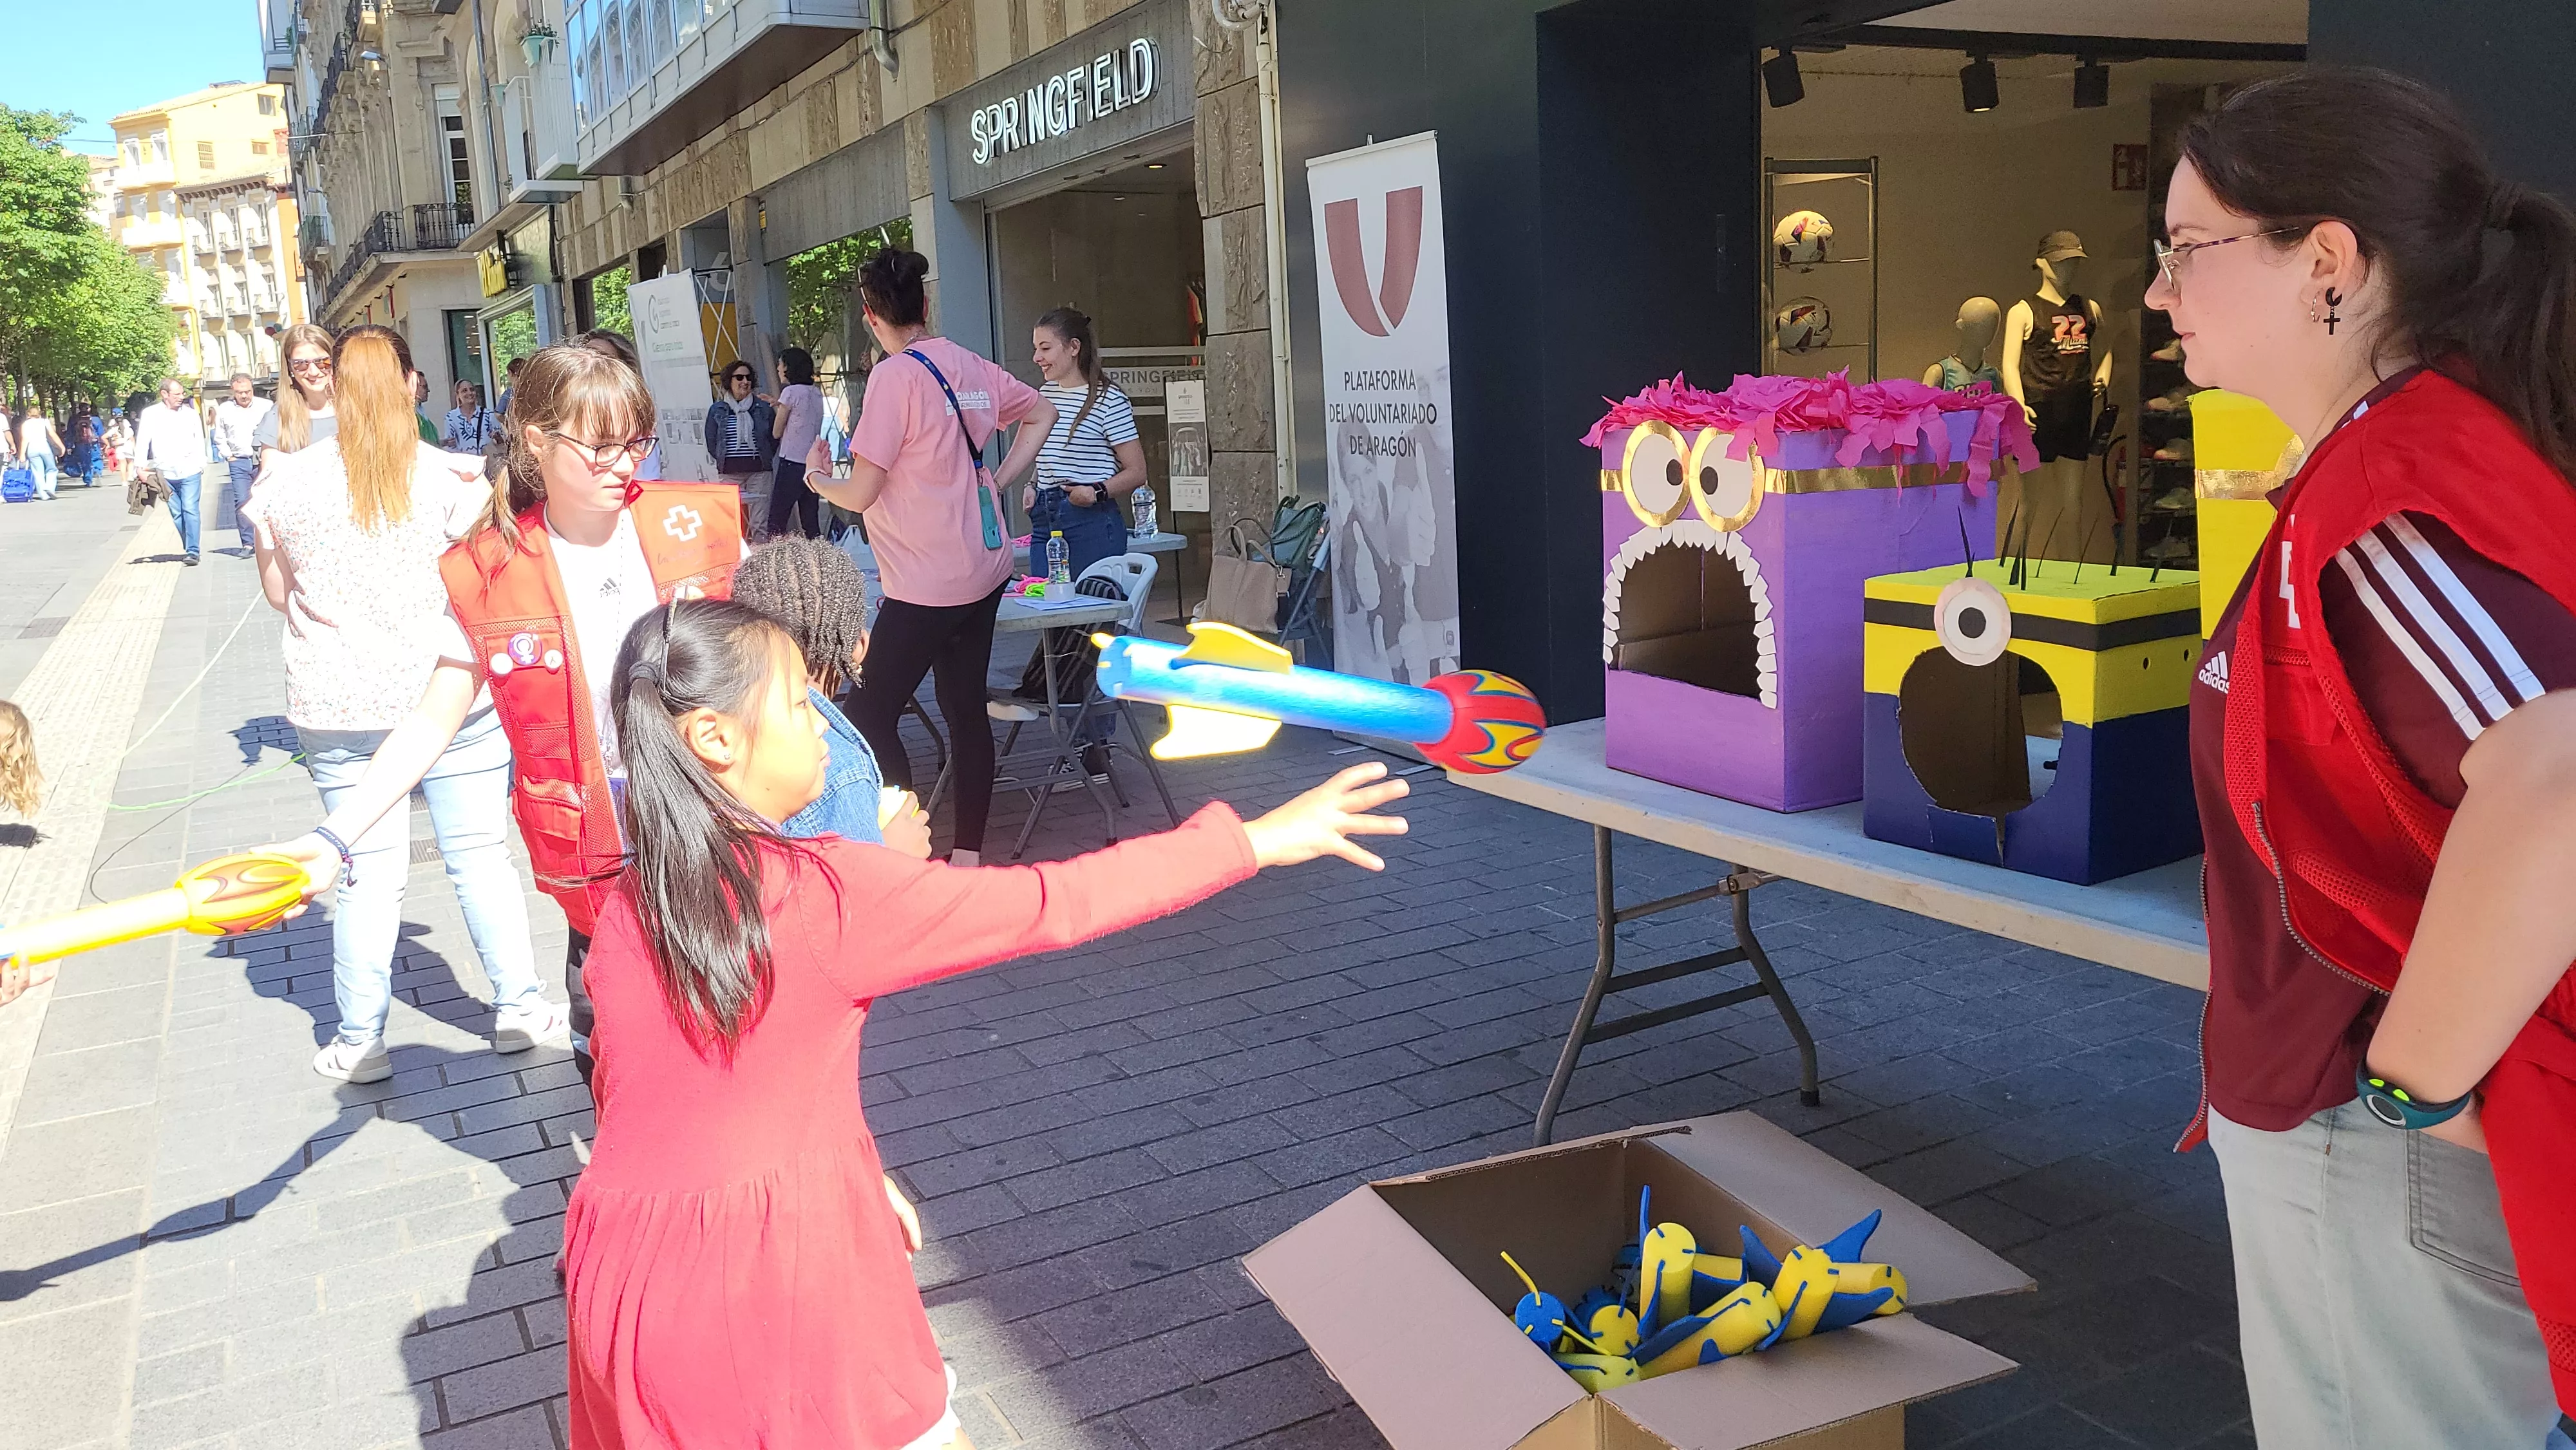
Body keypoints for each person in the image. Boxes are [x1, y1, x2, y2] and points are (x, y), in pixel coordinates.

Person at [550, 596, 1406, 1449]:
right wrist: (1253, 841)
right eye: (798, 700)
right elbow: (1054, 901)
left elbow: (651, 1092)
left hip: (619, 1278)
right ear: (714, 737)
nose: (823, 719)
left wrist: (842, 1161)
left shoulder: (627, 903)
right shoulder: (825, 892)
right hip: (774, 1275)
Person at [2154, 68, 2576, 1450]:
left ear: (2325, 262)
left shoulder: (2392, 493)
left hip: (2373, 1145)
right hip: (2378, 1131)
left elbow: (2562, 774)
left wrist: (2414, 1082)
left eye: (2186, 248)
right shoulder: (2434, 453)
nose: (2157, 291)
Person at [265, 344, 746, 1088]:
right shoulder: (488, 569)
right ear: (538, 441)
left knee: (728, 1046)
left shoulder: (697, 523)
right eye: (600, 445)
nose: (624, 463)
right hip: (596, 853)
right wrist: (334, 838)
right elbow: (432, 720)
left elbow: (775, 672)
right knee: (616, 1059)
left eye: (636, 442)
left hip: (714, 831)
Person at [241, 324, 565, 1083]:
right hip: (449, 695)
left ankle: (361, 1039)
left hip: (337, 702)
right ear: (408, 386)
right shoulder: (456, 479)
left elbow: (278, 593)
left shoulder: (282, 482)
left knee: (364, 872)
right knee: (479, 856)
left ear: (335, 388)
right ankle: (519, 1006)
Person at [811, 247, 1056, 869]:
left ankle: (910, 854)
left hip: (924, 583)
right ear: (925, 303)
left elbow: (860, 493)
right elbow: (1042, 410)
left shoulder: (893, 378)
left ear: (871, 316)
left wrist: (816, 479)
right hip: (983, 570)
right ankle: (967, 855)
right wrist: (999, 479)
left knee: (866, 716)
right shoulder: (967, 363)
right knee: (964, 709)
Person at [730, 538, 898, 847]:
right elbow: (857, 875)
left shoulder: (721, 729)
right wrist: (898, 851)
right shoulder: (836, 764)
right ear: (859, 647)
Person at [1023, 306, 1146, 581]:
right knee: (1046, 602)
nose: (1037, 358)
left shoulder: (1109, 400)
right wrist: (1032, 484)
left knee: (1093, 604)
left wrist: (1096, 492)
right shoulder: (1045, 393)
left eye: (1045, 348)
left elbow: (1138, 471)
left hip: (1090, 520)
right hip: (1044, 517)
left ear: (1074, 347)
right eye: (1036, 349)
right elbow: (1051, 452)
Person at [135, 378, 209, 563]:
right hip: (165, 473)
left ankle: (193, 551)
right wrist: (139, 467)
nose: (181, 397)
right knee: (177, 513)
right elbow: (143, 440)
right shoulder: (151, 414)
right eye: (177, 394)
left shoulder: (191, 414)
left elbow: (199, 439)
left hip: (190, 469)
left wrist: (201, 463)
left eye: (182, 393)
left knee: (190, 509)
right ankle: (189, 545)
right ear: (164, 394)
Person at [704, 358, 777, 532]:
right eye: (739, 378)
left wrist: (765, 458)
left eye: (748, 378)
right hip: (730, 473)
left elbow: (773, 438)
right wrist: (725, 459)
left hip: (759, 473)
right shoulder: (717, 409)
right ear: (729, 381)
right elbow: (712, 441)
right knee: (729, 523)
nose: (745, 382)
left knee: (759, 523)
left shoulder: (763, 408)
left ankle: (760, 550)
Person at [576, 330, 659, 480]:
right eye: (587, 353)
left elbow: (647, 477)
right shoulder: (569, 407)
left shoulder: (637, 416)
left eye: (603, 358)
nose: (592, 361)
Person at [257, 321, 339, 463]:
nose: (313, 372)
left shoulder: (359, 408)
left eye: (322, 362)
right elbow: (269, 472)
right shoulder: (279, 417)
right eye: (301, 364)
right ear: (290, 369)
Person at [211, 372, 275, 552]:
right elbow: (220, 436)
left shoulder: (266, 406)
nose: (245, 395)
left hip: (263, 460)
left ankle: (271, 538)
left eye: (248, 391)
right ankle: (248, 543)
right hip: (239, 461)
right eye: (240, 392)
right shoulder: (225, 409)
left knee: (267, 500)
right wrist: (229, 456)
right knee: (242, 502)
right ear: (233, 392)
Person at [766, 347, 825, 540]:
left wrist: (780, 407)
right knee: (811, 521)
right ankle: (819, 555)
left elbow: (776, 432)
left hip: (791, 461)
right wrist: (779, 404)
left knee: (777, 520)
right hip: (812, 463)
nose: (778, 368)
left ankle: (777, 556)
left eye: (781, 364)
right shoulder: (816, 393)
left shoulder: (790, 392)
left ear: (789, 368)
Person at [15, 404, 64, 502]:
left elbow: (25, 439)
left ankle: (43, 495)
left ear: (28, 414)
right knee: (52, 469)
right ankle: (50, 488)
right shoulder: (45, 421)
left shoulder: (25, 424)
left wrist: (22, 454)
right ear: (39, 413)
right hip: (44, 446)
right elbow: (52, 434)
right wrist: (61, 446)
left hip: (32, 448)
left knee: (38, 472)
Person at [444, 379, 500, 454]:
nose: (470, 393)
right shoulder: (451, 418)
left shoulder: (489, 415)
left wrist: (498, 438)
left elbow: (502, 443)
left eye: (472, 390)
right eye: (464, 391)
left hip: (487, 460)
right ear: (458, 395)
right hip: (464, 461)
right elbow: (450, 446)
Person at [412, 372, 439, 444]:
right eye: (425, 387)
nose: (428, 390)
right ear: (414, 387)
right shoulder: (411, 416)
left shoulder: (421, 413)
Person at [497, 354, 525, 419]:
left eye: (508, 373)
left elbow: (498, 414)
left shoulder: (510, 392)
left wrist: (509, 423)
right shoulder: (533, 389)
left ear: (510, 373)